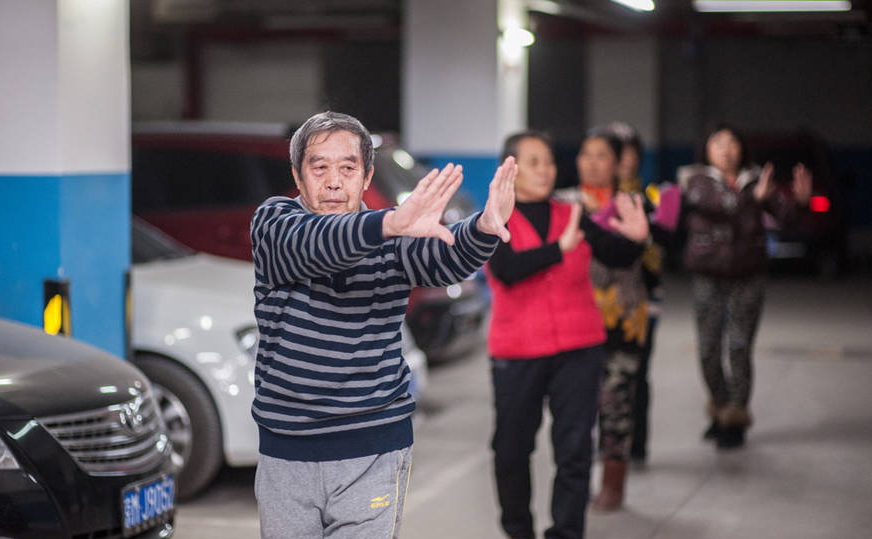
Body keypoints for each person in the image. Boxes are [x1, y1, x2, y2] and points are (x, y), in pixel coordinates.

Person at [250, 111, 517, 539]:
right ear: (298, 177)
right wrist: (387, 223)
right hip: (287, 453)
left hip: (372, 447)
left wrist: (482, 229)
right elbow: (315, 245)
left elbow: (441, 261)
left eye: (348, 168)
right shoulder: (275, 223)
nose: (334, 181)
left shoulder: (390, 236)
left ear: (366, 175)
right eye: (319, 167)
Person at [485, 130, 648, 539]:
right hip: (517, 350)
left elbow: (617, 254)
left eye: (550, 161)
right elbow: (506, 270)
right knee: (511, 449)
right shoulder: (494, 218)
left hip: (579, 348)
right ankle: (517, 529)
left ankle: (566, 532)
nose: (546, 170)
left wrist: (638, 237)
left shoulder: (571, 213)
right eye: (534, 161)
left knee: (574, 450)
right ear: (512, 168)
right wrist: (560, 248)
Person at [679, 123, 811, 449]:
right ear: (706, 149)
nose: (727, 149)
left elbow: (787, 217)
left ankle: (736, 418)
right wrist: (754, 199)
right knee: (708, 349)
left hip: (748, 274)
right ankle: (720, 407)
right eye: (718, 142)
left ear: (742, 148)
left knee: (739, 347)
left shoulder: (756, 180)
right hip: (708, 274)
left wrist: (801, 202)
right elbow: (719, 208)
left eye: (733, 142)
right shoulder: (694, 181)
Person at [576, 129, 650, 512]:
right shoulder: (566, 204)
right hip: (576, 320)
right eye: (585, 153)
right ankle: (582, 477)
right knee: (579, 406)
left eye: (602, 155)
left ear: (618, 162)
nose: (591, 161)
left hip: (621, 318)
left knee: (616, 403)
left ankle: (614, 483)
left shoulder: (632, 204)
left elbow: (633, 256)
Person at [607, 121, 680, 465]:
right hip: (600, 300)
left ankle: (636, 447)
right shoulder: (594, 200)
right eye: (616, 153)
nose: (624, 160)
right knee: (601, 375)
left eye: (630, 152)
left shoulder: (651, 197)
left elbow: (669, 242)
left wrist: (653, 223)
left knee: (638, 371)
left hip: (643, 300)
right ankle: (607, 447)